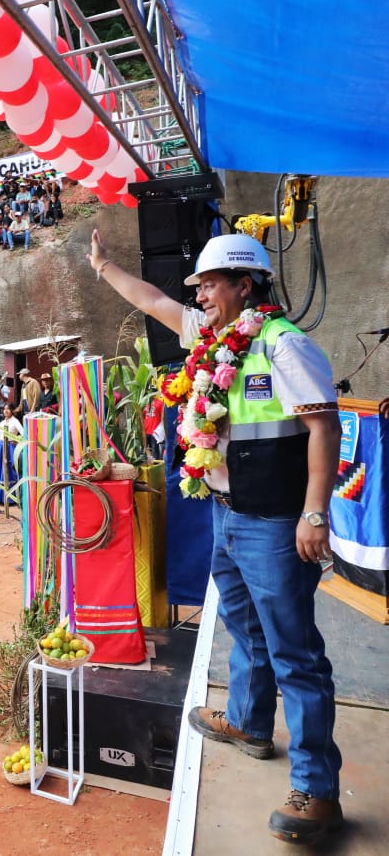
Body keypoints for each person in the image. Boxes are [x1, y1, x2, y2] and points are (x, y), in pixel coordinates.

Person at [89, 229, 343, 844]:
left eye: (208, 286)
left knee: (294, 654)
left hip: (275, 523)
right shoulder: (208, 340)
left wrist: (314, 513)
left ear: (244, 285)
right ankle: (250, 724)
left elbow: (324, 428)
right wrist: (104, 268)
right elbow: (153, 301)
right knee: (244, 627)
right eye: (198, 288)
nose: (199, 296)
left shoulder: (283, 345)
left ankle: (317, 790)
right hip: (225, 513)